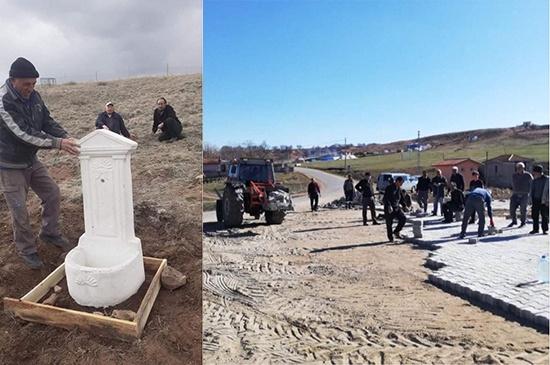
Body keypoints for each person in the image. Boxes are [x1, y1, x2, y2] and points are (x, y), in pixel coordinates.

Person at [0, 57, 80, 269]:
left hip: (30, 160)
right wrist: (58, 143)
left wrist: (65, 136)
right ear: (13, 80)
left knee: (52, 193)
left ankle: (49, 233)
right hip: (9, 164)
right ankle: (27, 250)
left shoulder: (34, 96)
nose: (31, 88)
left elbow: (46, 121)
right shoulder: (3, 101)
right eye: (26, 84)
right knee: (19, 209)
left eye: (34, 83)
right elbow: (23, 134)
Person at [508, 162, 533, 228]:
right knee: (512, 208)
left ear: (523, 168)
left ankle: (523, 222)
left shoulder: (528, 175)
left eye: (520, 168)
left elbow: (532, 184)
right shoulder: (514, 175)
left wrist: (530, 194)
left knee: (523, 209)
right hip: (515, 194)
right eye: (518, 168)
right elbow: (512, 184)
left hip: (525, 194)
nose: (519, 169)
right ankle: (514, 221)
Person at [383, 176, 406, 242]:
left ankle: (396, 231)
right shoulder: (389, 188)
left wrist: (404, 206)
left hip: (396, 207)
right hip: (389, 208)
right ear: (397, 181)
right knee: (389, 223)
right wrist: (389, 206)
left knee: (403, 218)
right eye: (401, 183)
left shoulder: (399, 188)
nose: (401, 184)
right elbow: (386, 198)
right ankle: (390, 237)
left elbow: (401, 198)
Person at [530, 165, 549, 235]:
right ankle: (535, 229)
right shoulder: (534, 180)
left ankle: (545, 229)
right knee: (535, 215)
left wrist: (548, 200)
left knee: (544, 215)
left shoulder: (547, 180)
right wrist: (530, 199)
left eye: (535, 172)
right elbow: (532, 190)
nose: (534, 174)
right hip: (535, 200)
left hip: (544, 200)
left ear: (539, 172)